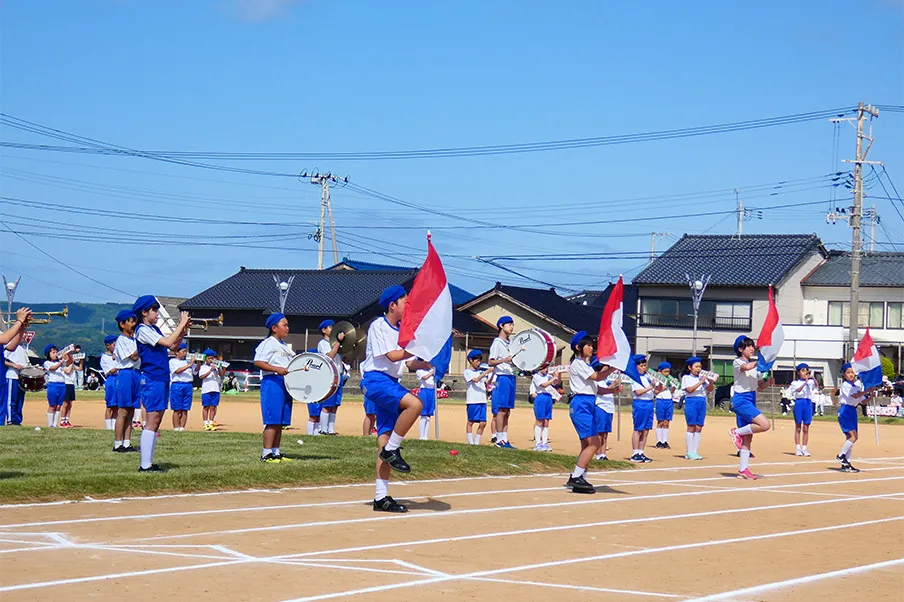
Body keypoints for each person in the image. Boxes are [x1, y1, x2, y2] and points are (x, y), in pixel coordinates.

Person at [361, 285, 430, 513]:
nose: (407, 306)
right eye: (404, 302)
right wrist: (417, 346)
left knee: (385, 439)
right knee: (415, 404)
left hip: (390, 381)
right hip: (376, 380)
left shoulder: (401, 330)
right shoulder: (378, 326)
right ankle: (393, 450)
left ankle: (381, 497)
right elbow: (392, 355)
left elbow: (406, 363)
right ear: (392, 305)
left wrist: (427, 362)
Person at [132, 295, 191, 472]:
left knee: (156, 421)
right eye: (154, 310)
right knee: (152, 420)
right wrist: (180, 324)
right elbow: (167, 342)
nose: (157, 314)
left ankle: (148, 462)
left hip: (161, 377)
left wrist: (183, 331)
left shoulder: (154, 329)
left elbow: (173, 347)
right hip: (153, 377)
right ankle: (145, 464)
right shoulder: (142, 330)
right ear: (144, 312)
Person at [567, 331, 617, 493]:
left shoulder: (585, 364)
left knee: (587, 444)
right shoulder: (578, 364)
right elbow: (596, 377)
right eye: (587, 345)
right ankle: (576, 476)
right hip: (581, 404)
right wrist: (612, 369)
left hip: (588, 403)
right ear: (578, 347)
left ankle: (580, 478)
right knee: (595, 443)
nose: (591, 347)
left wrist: (613, 390)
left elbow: (597, 389)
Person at [728, 336, 774, 480]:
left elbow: (760, 386)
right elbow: (746, 367)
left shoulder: (755, 367)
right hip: (741, 399)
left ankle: (743, 469)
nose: (752, 348)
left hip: (751, 399)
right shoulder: (738, 362)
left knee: (748, 437)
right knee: (765, 424)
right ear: (740, 349)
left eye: (752, 346)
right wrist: (760, 362)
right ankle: (736, 432)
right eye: (748, 346)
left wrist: (768, 382)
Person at [253, 313, 296, 462]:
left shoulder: (284, 346)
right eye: (284, 325)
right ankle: (266, 453)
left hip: (284, 383)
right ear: (274, 328)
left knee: (280, 420)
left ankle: (276, 451)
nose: (287, 328)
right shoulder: (268, 343)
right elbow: (258, 362)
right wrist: (276, 369)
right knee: (272, 420)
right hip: (272, 382)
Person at [836, 363, 877, 473]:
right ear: (844, 375)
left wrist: (870, 397)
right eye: (848, 373)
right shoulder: (845, 385)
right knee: (852, 436)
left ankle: (846, 462)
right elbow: (854, 396)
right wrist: (867, 391)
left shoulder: (857, 386)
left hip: (852, 411)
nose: (851, 375)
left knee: (852, 437)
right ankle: (841, 455)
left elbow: (862, 401)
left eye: (852, 372)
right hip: (845, 411)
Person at [113, 311, 140, 452]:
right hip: (126, 373)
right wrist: (143, 345)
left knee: (131, 411)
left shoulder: (134, 340)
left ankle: (127, 442)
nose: (134, 324)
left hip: (136, 374)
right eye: (131, 321)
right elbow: (133, 357)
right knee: (123, 410)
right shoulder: (121, 340)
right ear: (122, 324)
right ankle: (117, 443)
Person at [489, 316, 516, 449]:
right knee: (501, 409)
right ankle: (499, 439)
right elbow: (490, 361)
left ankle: (505, 438)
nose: (512, 327)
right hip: (502, 377)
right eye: (509, 324)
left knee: (507, 410)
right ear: (501, 325)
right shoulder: (497, 343)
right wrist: (503, 360)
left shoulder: (511, 343)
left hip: (511, 376)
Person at [681, 356, 713, 460]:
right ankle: (689, 451)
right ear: (690, 367)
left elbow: (710, 389)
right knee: (691, 426)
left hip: (702, 401)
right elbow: (689, 390)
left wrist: (710, 381)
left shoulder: (703, 378)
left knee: (699, 427)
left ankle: (695, 451)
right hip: (691, 401)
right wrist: (700, 382)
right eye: (696, 366)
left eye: (700, 366)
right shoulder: (686, 378)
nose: (699, 369)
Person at [316, 319, 345, 436]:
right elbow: (330, 356)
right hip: (329, 376)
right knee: (327, 404)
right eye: (330, 327)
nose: (332, 329)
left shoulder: (334, 343)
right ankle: (323, 429)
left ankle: (331, 429)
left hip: (339, 375)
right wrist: (338, 342)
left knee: (335, 405)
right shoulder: (322, 343)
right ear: (323, 330)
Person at [630, 355, 659, 463]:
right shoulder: (635, 377)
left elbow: (654, 392)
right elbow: (638, 392)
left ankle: (641, 452)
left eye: (645, 365)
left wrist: (658, 387)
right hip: (640, 403)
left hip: (650, 403)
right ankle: (635, 452)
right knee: (638, 428)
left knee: (646, 429)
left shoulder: (648, 377)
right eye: (641, 365)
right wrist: (650, 387)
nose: (644, 368)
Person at [464, 350, 493, 445]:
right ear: (471, 360)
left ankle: (477, 442)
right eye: (477, 361)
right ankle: (470, 441)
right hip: (472, 400)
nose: (479, 363)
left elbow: (487, 382)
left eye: (480, 361)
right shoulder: (467, 372)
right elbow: (475, 380)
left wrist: (492, 373)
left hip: (482, 400)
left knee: (483, 423)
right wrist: (485, 372)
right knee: (470, 421)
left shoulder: (480, 371)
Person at [790, 363, 817, 457]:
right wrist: (805, 382)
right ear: (798, 372)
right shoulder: (795, 382)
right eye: (802, 370)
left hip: (808, 403)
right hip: (799, 402)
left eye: (806, 370)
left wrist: (812, 378)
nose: (805, 372)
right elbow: (798, 390)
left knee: (806, 427)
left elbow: (816, 385)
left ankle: (805, 448)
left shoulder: (811, 382)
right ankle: (798, 447)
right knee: (798, 426)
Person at [594, 371, 621, 461]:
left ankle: (603, 454)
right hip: (600, 406)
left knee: (605, 433)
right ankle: (598, 454)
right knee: (599, 432)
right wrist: (614, 385)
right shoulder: (597, 380)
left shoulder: (607, 379)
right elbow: (601, 391)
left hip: (609, 407)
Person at [531, 366, 559, 451]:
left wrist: (558, 375)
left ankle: (544, 442)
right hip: (540, 397)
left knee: (546, 421)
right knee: (540, 420)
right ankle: (538, 443)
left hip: (548, 397)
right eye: (545, 368)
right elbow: (543, 385)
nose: (547, 369)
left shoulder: (548, 376)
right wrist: (554, 377)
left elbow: (556, 383)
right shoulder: (536, 376)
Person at [4, 334, 29, 426]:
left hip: (21, 377)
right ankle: (10, 420)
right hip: (12, 375)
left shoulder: (23, 347)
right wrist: (13, 365)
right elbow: (3, 359)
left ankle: (17, 420)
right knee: (11, 400)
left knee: (20, 400)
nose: (25, 335)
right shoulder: (10, 345)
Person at [169, 343, 195, 432]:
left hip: (188, 384)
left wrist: (197, 363)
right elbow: (177, 371)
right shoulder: (172, 361)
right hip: (177, 384)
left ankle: (182, 428)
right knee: (177, 408)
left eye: (186, 351)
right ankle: (176, 427)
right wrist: (189, 365)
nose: (185, 353)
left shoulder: (188, 361)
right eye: (183, 351)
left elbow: (195, 372)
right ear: (177, 352)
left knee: (185, 408)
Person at [199, 349, 224, 431]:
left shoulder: (216, 368)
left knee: (213, 406)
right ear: (205, 359)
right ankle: (205, 423)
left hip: (215, 388)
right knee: (206, 406)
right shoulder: (203, 367)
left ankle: (211, 422)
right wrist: (210, 370)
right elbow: (202, 376)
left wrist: (220, 368)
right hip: (206, 389)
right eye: (209, 358)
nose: (211, 360)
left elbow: (221, 375)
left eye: (212, 358)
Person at [43, 345, 67, 428]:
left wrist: (67, 355)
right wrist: (61, 362)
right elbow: (52, 368)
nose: (55, 354)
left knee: (59, 405)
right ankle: (50, 424)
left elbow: (68, 364)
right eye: (53, 353)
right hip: (53, 384)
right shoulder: (47, 363)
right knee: (52, 405)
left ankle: (55, 423)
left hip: (62, 384)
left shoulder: (60, 362)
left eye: (56, 352)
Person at [653, 362, 676, 449]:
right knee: (660, 421)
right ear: (660, 371)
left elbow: (672, 391)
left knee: (667, 422)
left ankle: (664, 441)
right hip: (660, 400)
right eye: (665, 371)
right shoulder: (657, 379)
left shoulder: (670, 379)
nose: (667, 373)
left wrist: (674, 386)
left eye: (668, 371)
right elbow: (656, 391)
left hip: (669, 400)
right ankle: (659, 441)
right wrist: (663, 386)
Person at [100, 334, 119, 430]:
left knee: (117, 406)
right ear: (108, 345)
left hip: (119, 379)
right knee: (110, 406)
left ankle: (115, 426)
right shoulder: (104, 357)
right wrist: (120, 364)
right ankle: (108, 427)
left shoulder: (119, 355)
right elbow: (110, 371)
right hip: (111, 380)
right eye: (114, 345)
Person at [59, 346, 78, 428]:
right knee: (65, 403)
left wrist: (81, 361)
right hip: (66, 384)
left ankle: (67, 420)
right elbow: (67, 371)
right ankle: (62, 420)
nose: (70, 356)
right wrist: (72, 363)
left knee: (70, 404)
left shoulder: (71, 364)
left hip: (71, 384)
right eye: (68, 354)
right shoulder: (62, 364)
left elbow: (80, 368)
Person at [417, 365, 436, 440]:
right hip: (424, 391)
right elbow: (424, 378)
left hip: (432, 391)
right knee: (423, 415)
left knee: (428, 416)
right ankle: (421, 435)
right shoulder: (420, 370)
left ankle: (425, 435)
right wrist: (432, 372)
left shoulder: (432, 370)